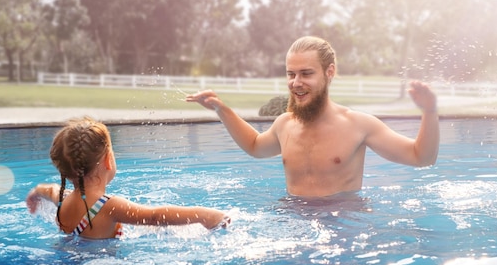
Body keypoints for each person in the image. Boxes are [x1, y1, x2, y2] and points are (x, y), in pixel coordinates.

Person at [186, 36, 439, 198]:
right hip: (292, 221)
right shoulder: (284, 124)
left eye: (306, 73)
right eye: (291, 74)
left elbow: (421, 157)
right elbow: (254, 146)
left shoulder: (359, 125)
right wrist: (222, 109)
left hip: (344, 227)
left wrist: (429, 111)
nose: (296, 82)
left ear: (329, 72)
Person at [26, 117, 230, 239]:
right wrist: (203, 214)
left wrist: (34, 194)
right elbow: (155, 216)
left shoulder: (63, 200)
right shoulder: (108, 206)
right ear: (108, 160)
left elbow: (49, 190)